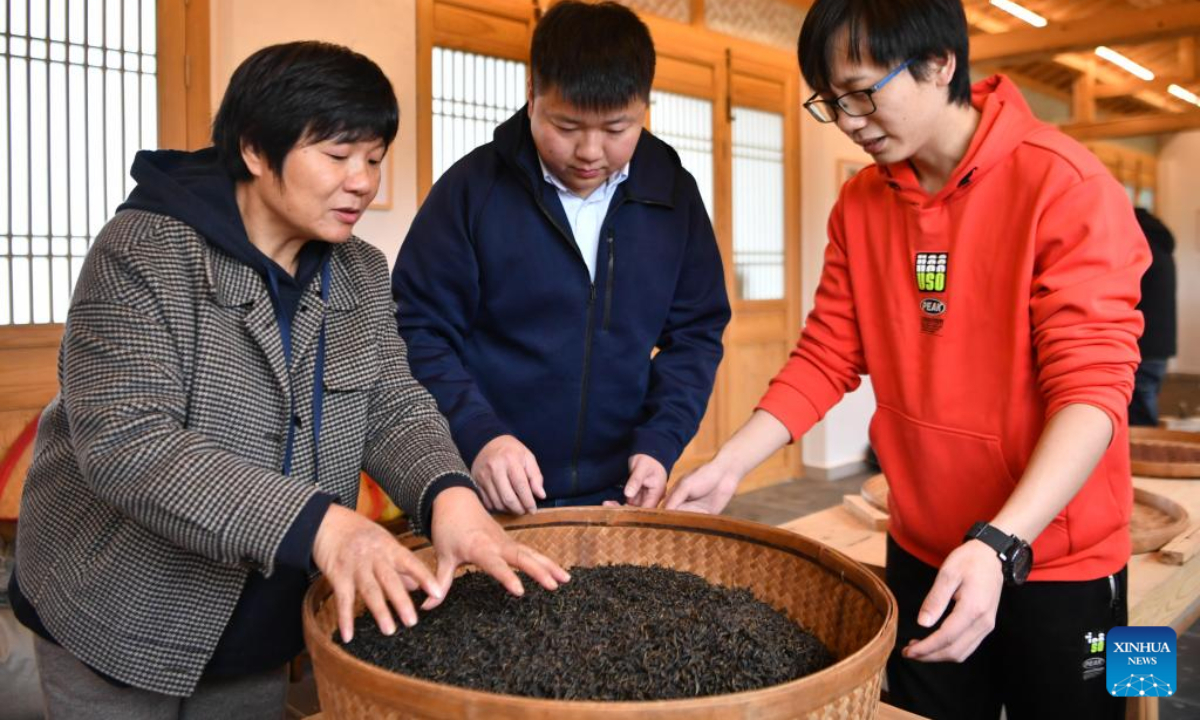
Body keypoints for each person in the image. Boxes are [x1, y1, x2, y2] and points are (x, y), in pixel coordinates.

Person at [9, 41, 568, 718]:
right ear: (254, 149)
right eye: (338, 156)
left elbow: (392, 406)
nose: (363, 182)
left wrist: (449, 495)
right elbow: (129, 445)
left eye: (374, 159)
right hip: (116, 603)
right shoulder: (144, 253)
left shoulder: (360, 271)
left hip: (262, 612)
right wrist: (327, 527)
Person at [664, 2, 1148, 719]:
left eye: (862, 92)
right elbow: (826, 354)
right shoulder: (861, 202)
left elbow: (1093, 392)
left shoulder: (1066, 185)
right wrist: (730, 464)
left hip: (1057, 563)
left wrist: (1000, 543)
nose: (849, 120)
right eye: (832, 102)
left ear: (940, 63)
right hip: (922, 548)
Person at [393, 1, 730, 515]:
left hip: (617, 491)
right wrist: (479, 435)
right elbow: (419, 330)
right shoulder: (471, 191)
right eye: (567, 127)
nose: (590, 151)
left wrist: (661, 440)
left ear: (644, 107)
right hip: (487, 484)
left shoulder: (673, 196)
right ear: (532, 95)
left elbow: (696, 334)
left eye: (616, 129)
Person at [1129, 206, 1177, 426]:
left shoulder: (1141, 248)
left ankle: (1146, 447)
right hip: (1161, 346)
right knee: (1147, 400)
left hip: (1144, 344)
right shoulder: (1162, 248)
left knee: (1141, 414)